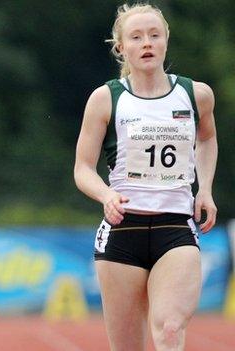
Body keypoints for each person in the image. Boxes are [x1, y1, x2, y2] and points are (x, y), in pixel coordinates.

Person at [74, 3, 217, 350]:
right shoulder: (107, 98)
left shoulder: (196, 94)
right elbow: (82, 168)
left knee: (169, 329)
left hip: (176, 229)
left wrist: (205, 189)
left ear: (166, 39)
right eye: (136, 37)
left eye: (154, 35)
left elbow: (207, 138)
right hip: (123, 231)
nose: (147, 43)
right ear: (121, 46)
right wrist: (106, 195)